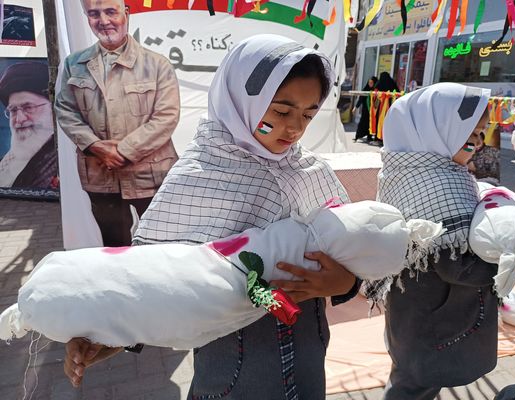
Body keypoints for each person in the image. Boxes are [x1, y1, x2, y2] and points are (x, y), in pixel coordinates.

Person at [62, 34, 360, 399]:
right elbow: (152, 276)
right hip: (232, 371)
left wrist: (345, 283)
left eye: (309, 114)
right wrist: (114, 336)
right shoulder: (199, 175)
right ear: (240, 100)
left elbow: (351, 249)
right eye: (281, 111)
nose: (296, 128)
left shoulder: (310, 171)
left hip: (306, 360)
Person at [364, 82, 499, 399]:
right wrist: (505, 256)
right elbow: (458, 266)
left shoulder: (409, 166)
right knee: (416, 384)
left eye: (480, 135)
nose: (477, 145)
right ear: (439, 132)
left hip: (411, 306)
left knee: (410, 376)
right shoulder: (440, 183)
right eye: (470, 136)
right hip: (433, 317)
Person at [54, 0, 180, 246]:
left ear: (126, 14)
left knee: (162, 244)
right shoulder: (74, 64)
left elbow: (166, 117)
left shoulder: (157, 64)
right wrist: (95, 146)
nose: (103, 21)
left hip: (151, 175)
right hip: (101, 177)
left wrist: (122, 151)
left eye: (111, 12)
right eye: (93, 14)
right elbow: (65, 110)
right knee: (115, 247)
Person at [0, 61, 58, 190]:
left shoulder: (62, 158)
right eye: (13, 110)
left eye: (28, 107)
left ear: (53, 110)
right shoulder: (5, 162)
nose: (19, 119)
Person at [369, 71, 400, 146]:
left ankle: (378, 139)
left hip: (380, 109)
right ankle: (387, 140)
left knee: (379, 123)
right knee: (388, 123)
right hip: (390, 107)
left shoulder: (379, 83)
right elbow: (397, 92)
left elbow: (375, 93)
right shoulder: (392, 83)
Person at [353, 76, 377, 143]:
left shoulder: (376, 91)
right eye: (369, 83)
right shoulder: (365, 89)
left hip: (372, 110)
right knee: (362, 123)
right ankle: (357, 136)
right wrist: (355, 107)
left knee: (370, 123)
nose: (370, 84)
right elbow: (360, 99)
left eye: (372, 83)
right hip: (365, 110)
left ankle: (369, 137)